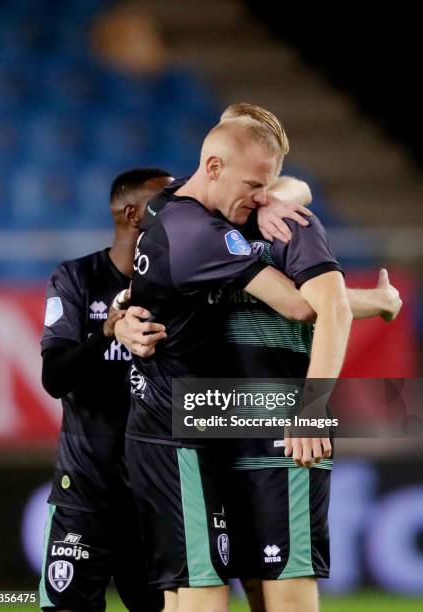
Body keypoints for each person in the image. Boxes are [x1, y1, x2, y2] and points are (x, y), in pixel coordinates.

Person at [125, 115, 326, 612]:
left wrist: (280, 194)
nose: (261, 198)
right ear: (214, 166)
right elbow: (303, 305)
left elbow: (288, 186)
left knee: (191, 593)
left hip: (199, 427)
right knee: (205, 598)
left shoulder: (169, 202)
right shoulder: (204, 235)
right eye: (254, 185)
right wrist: (372, 300)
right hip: (174, 436)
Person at [216, 103, 402, 612]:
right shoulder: (191, 227)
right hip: (208, 435)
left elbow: (328, 306)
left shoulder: (288, 225)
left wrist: (311, 406)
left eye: (266, 179)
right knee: (248, 587)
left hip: (282, 433)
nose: (259, 190)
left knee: (286, 591)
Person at [39, 168, 171, 612]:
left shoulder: (178, 287)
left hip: (154, 496)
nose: (178, 212)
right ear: (132, 213)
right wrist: (107, 335)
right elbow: (54, 378)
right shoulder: (77, 279)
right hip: (85, 494)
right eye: (165, 202)